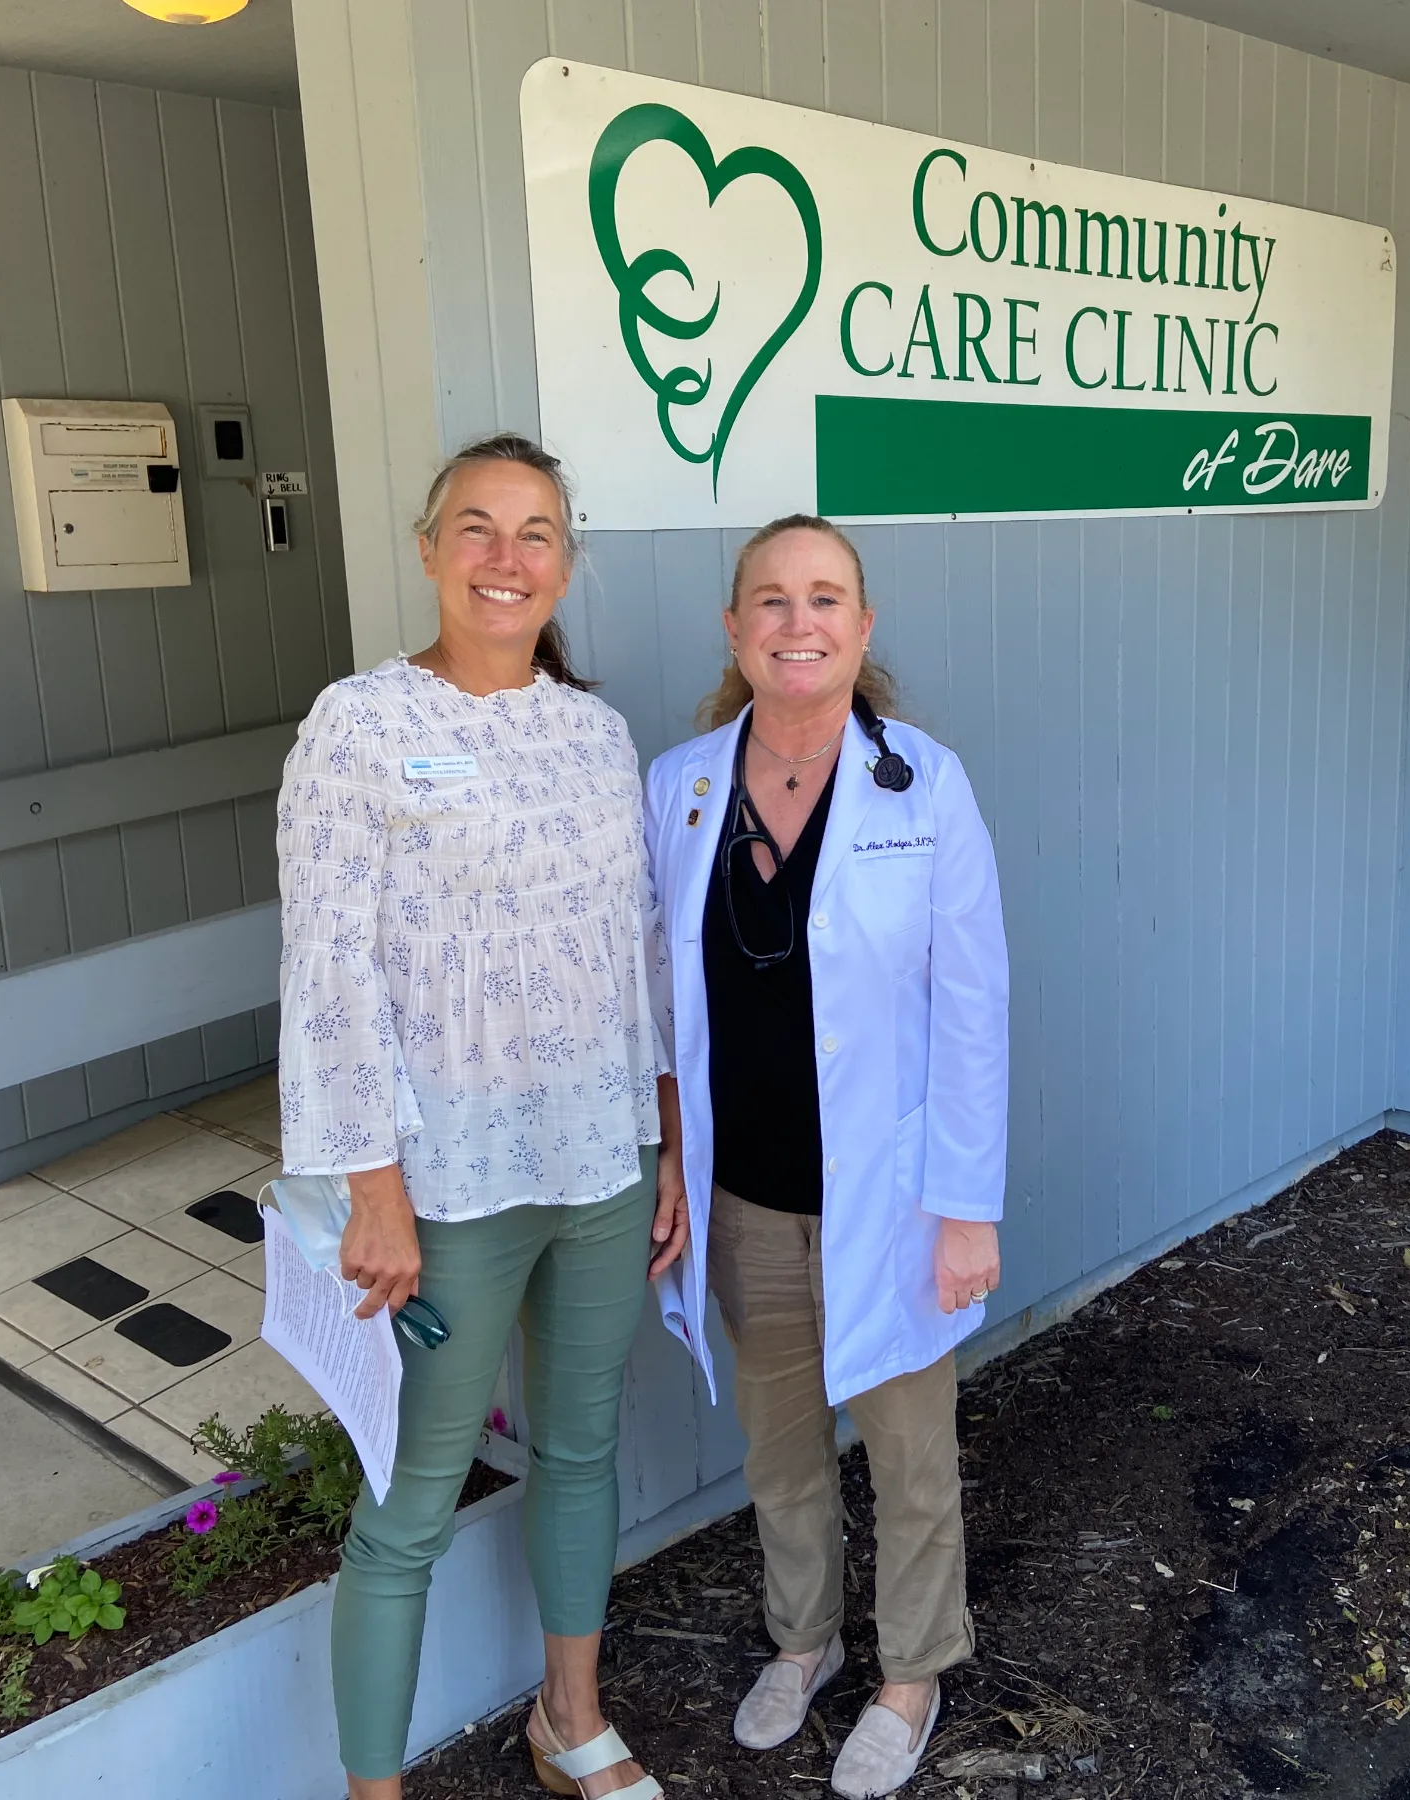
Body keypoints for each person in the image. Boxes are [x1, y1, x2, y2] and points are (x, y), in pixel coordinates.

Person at [277, 434, 686, 1800]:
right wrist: (371, 1186)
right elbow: (329, 971)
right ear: (427, 546)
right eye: (477, 528)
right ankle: (374, 1790)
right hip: (444, 1187)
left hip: (599, 1162)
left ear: (567, 562)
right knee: (408, 1507)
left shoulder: (596, 733)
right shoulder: (362, 726)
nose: (507, 559)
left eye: (536, 534)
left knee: (578, 1450)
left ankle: (571, 1721)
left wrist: (669, 1137)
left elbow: (639, 950)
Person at [641, 515, 1010, 1800]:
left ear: (862, 626)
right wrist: (679, 1160)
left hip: (895, 1200)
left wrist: (966, 1209)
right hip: (746, 1195)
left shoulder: (926, 782)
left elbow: (973, 1006)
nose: (799, 624)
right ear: (736, 630)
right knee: (781, 1445)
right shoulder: (681, 783)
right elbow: (667, 1010)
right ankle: (802, 1641)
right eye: (773, 602)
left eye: (825, 599)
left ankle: (912, 1673)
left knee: (909, 1451)